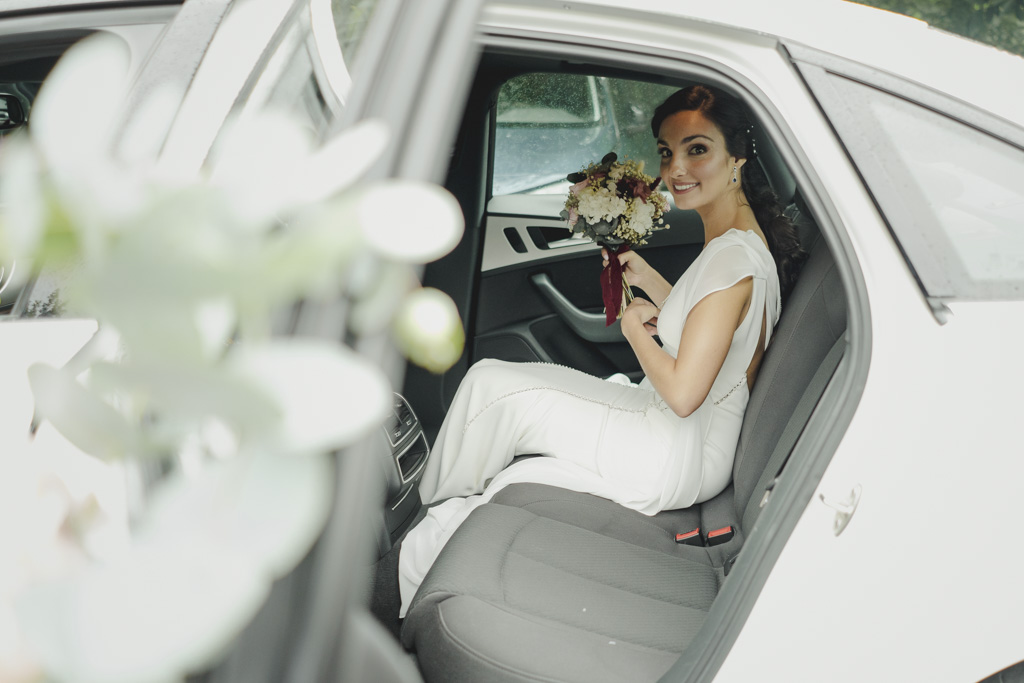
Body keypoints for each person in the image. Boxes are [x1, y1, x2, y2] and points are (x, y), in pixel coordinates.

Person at [398, 84, 806, 615]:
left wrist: (637, 330)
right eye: (666, 151)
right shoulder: (740, 243)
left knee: (490, 384)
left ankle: (423, 518)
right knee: (499, 393)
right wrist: (653, 282)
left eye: (697, 149)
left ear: (738, 159)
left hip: (672, 449)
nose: (676, 168)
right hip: (687, 439)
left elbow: (684, 393)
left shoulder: (731, 262)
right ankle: (447, 509)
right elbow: (715, 326)